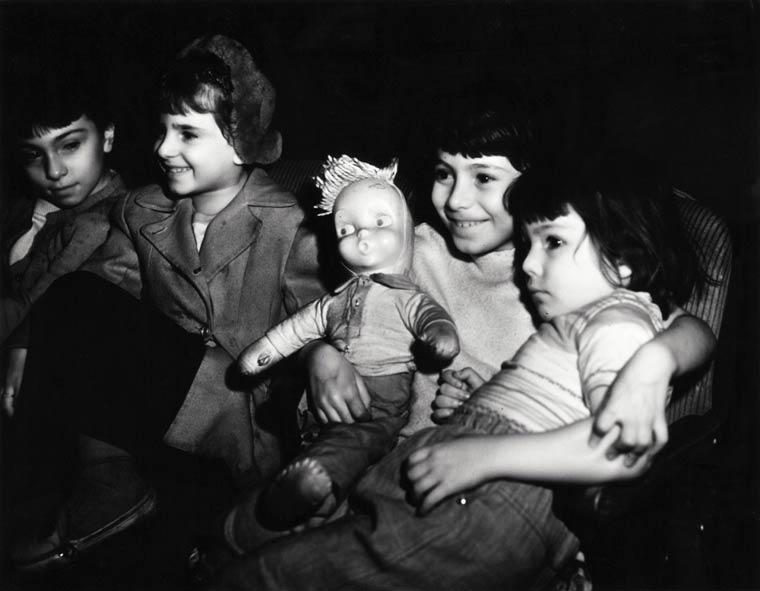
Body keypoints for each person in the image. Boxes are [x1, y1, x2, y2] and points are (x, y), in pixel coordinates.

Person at [191, 104, 716, 580]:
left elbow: (678, 327)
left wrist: (657, 358)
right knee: (248, 544)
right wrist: (319, 355)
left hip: (456, 499)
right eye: (444, 173)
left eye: (484, 176)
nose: (456, 199)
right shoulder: (405, 243)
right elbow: (323, 312)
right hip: (358, 462)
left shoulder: (572, 285)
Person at [5, 34, 324, 574]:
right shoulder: (141, 211)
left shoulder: (287, 224)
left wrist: (326, 361)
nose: (162, 149)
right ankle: (105, 488)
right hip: (159, 416)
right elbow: (96, 295)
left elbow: (320, 324)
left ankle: (166, 513)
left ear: (241, 139)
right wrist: (22, 345)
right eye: (162, 130)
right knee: (73, 297)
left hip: (238, 416)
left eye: (187, 134)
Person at [236, 154, 459, 530]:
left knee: (352, 441)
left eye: (380, 222)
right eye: (346, 229)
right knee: (317, 435)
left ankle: (315, 486)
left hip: (378, 400)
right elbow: (293, 330)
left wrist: (439, 339)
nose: (362, 235)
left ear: (406, 228)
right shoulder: (334, 300)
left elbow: (431, 320)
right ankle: (314, 495)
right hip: (321, 402)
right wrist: (258, 358)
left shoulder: (407, 297)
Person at [0, 58, 126, 418]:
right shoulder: (21, 208)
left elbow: (37, 309)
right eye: (33, 155)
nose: (53, 171)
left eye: (70, 145)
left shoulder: (108, 223)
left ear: (108, 136)